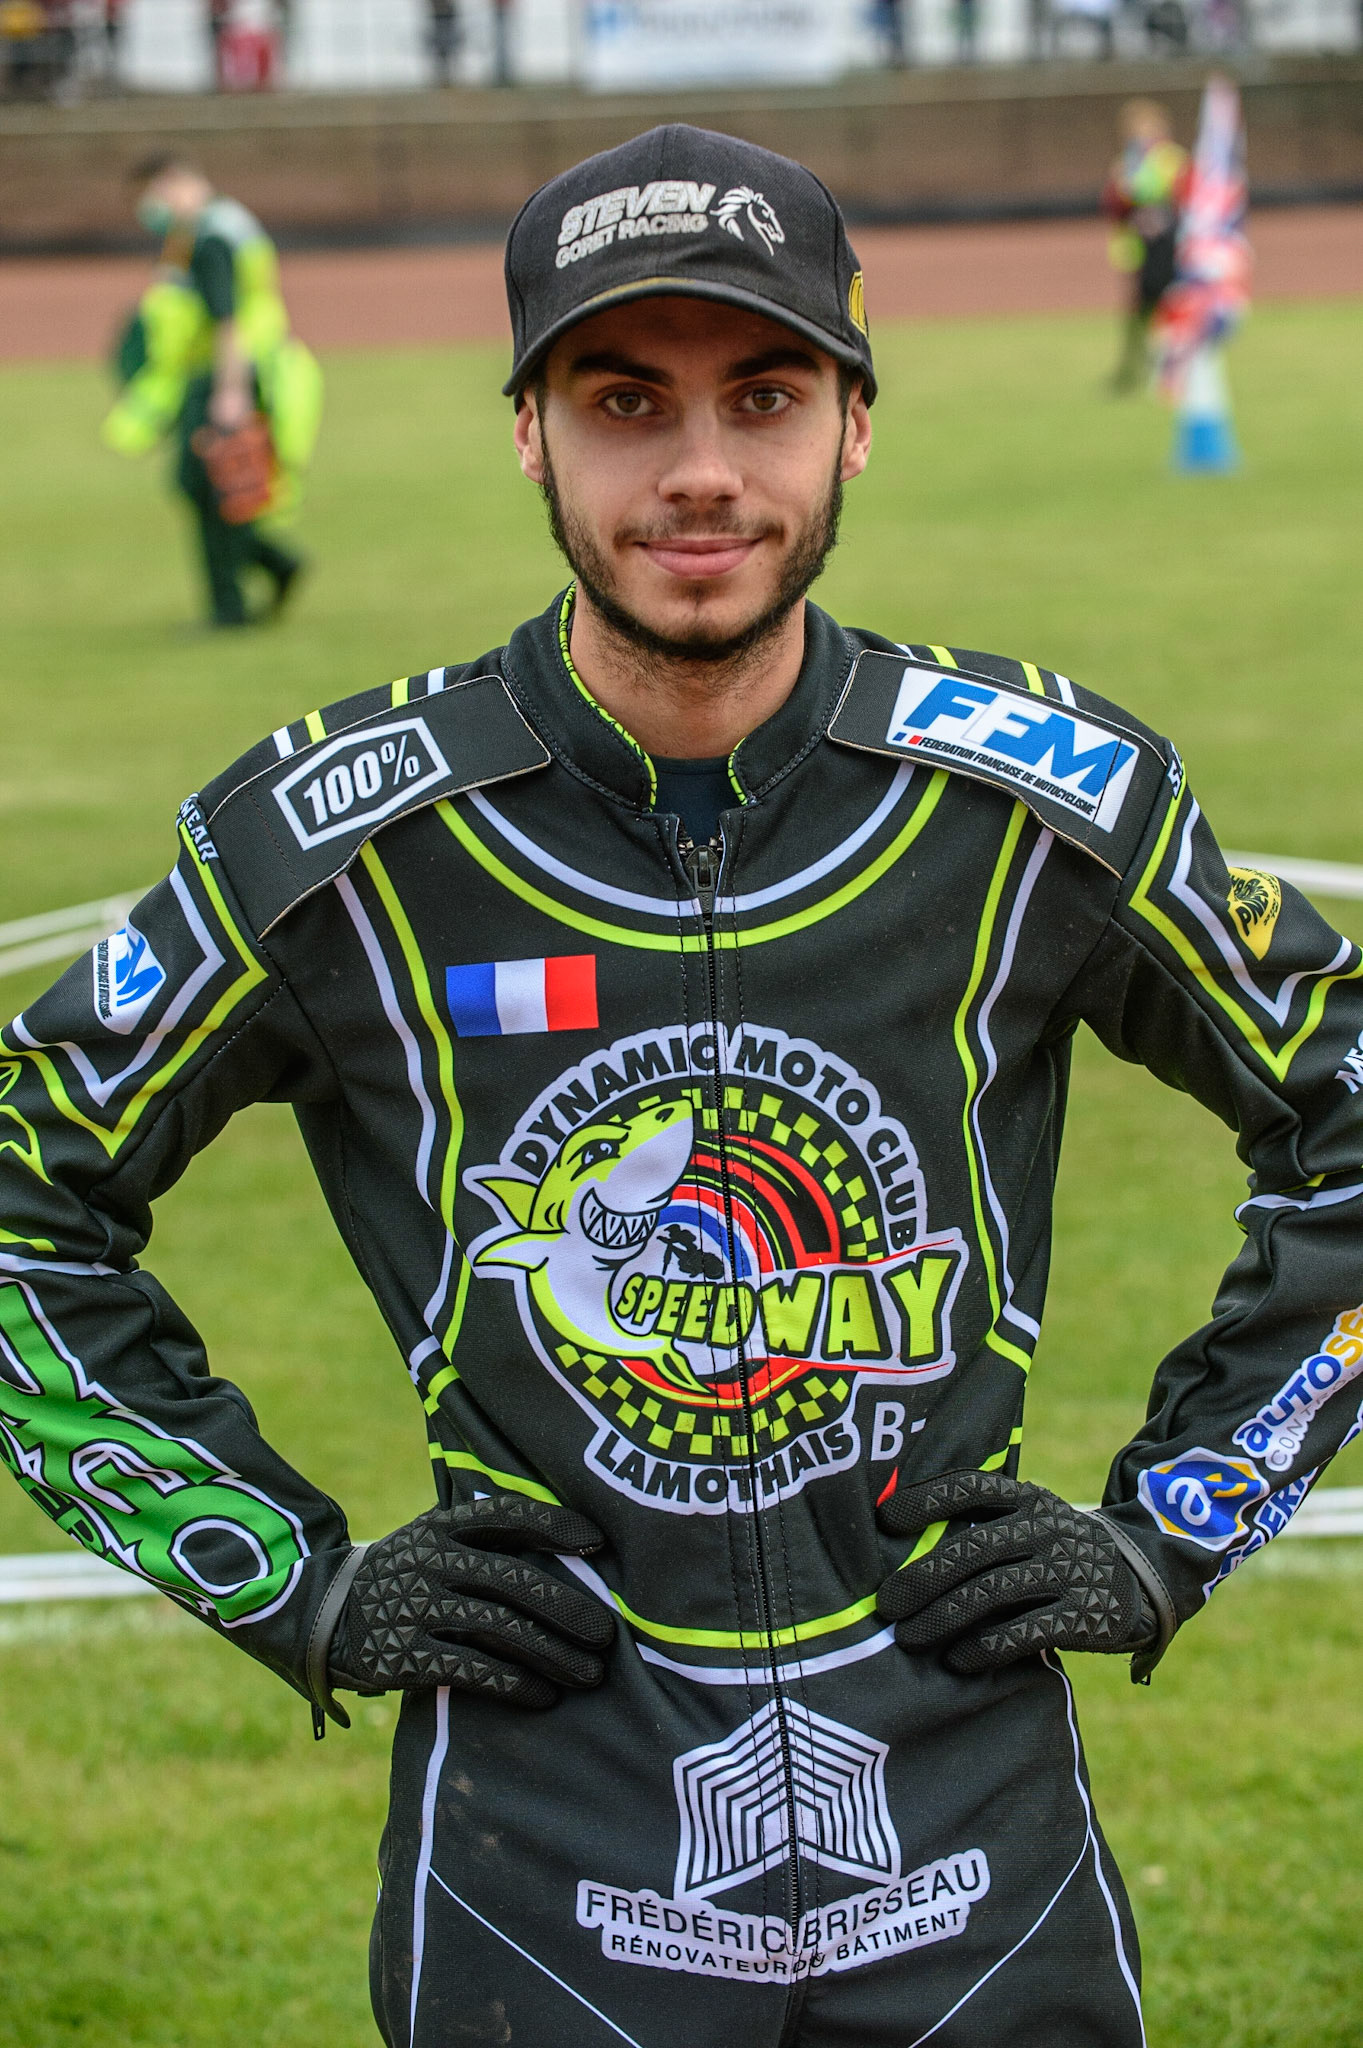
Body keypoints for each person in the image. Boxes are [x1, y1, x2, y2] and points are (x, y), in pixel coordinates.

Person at [4, 123, 1362, 2045]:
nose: (703, 470)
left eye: (767, 394)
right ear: (529, 432)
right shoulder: (348, 844)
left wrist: (1173, 1520)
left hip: (978, 1829)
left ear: (855, 423)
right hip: (543, 1854)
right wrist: (285, 1577)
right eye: (623, 399)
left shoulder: (1037, 805)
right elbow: (20, 1189)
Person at [103, 153, 320, 627]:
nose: (151, 211)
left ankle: (234, 601)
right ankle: (265, 570)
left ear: (172, 183)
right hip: (239, 372)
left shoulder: (209, 238)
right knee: (211, 485)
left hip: (223, 379)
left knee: (209, 484)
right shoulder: (227, 224)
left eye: (151, 197)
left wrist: (230, 391)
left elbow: (229, 321)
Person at [1103, 99, 1192, 392]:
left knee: (1172, 307)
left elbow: (1187, 198)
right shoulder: (1127, 164)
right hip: (1143, 249)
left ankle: (1171, 369)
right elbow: (1115, 206)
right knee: (1140, 312)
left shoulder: (1171, 160)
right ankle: (1132, 371)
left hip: (1171, 246)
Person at [427, 0, 458, 85]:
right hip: (438, 15)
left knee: (448, 49)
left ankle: (448, 77)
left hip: (446, 15)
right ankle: (442, 77)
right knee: (441, 49)